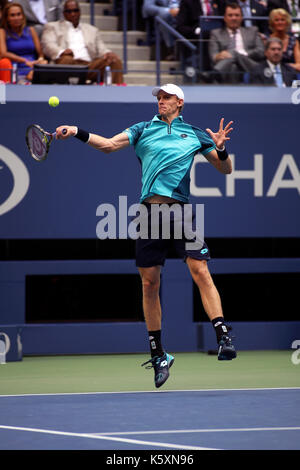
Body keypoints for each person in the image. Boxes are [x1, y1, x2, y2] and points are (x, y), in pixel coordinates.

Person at [55, 83, 237, 389]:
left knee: (200, 270)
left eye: (166, 97)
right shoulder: (142, 128)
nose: (161, 101)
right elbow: (110, 145)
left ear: (180, 102)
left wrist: (220, 148)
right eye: (159, 98)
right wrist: (77, 131)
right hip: (149, 214)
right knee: (150, 283)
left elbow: (226, 170)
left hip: (181, 212)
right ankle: (158, 354)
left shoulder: (193, 133)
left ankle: (223, 336)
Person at [41, 0, 123, 84]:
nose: (73, 14)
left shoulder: (92, 30)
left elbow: (101, 48)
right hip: (67, 62)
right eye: (69, 11)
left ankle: (117, 94)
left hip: (89, 65)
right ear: (64, 13)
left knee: (114, 60)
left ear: (80, 12)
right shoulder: (53, 26)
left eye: (75, 11)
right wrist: (62, 52)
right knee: (66, 60)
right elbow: (48, 45)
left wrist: (108, 53)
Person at [209, 2, 265, 83]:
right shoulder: (216, 33)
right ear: (224, 18)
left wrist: (241, 54)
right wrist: (218, 56)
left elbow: (261, 51)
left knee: (234, 54)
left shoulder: (253, 31)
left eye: (237, 15)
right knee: (233, 67)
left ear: (242, 17)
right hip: (227, 67)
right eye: (230, 15)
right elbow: (213, 56)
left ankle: (214, 74)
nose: (234, 18)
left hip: (250, 65)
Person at [0, 2, 47, 82]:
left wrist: (41, 59)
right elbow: (3, 53)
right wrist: (24, 61)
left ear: (23, 16)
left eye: (19, 14)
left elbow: (40, 53)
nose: (16, 18)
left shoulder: (31, 30)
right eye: (12, 15)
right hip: (14, 67)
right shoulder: (2, 32)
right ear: (7, 18)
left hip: (32, 66)